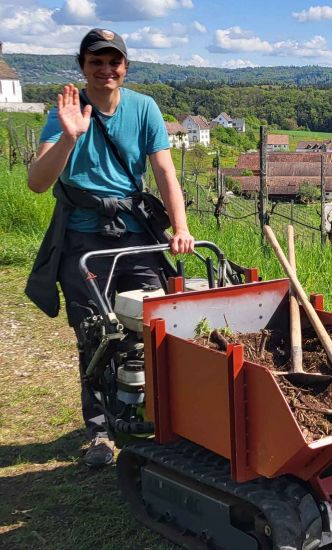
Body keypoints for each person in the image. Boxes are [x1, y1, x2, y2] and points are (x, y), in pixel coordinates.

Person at [26, 28, 194, 467]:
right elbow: (38, 183)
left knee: (157, 322)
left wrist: (180, 226)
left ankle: (159, 416)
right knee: (96, 335)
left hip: (135, 232)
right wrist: (68, 137)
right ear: (82, 67)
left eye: (113, 61)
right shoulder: (63, 113)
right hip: (81, 235)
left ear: (125, 66)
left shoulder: (144, 108)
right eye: (96, 62)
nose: (106, 70)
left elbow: (164, 173)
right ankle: (100, 432)